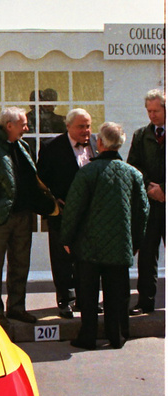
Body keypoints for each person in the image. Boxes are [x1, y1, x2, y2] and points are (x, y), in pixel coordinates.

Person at [0, 107, 58, 324]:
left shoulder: (23, 146)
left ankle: (17, 307)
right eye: (23, 124)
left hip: (23, 215)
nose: (27, 128)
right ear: (9, 125)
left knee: (21, 264)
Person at [61, 122, 148, 350]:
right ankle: (117, 335)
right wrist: (135, 241)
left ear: (99, 143)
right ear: (120, 144)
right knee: (118, 294)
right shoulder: (133, 174)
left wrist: (67, 239)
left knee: (88, 295)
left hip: (88, 245)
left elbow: (74, 208)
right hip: (120, 244)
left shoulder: (87, 172)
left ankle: (88, 337)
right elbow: (142, 211)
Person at [37, 109, 98, 317]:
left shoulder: (97, 143)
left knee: (88, 257)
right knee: (62, 257)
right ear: (69, 126)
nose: (86, 131)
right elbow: (41, 181)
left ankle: (86, 298)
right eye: (81, 126)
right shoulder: (51, 147)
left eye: (88, 126)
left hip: (90, 213)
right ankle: (66, 299)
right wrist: (54, 201)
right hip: (62, 212)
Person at [127, 89, 165, 315]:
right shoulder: (141, 135)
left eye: (156, 111)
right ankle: (145, 301)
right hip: (150, 204)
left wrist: (165, 190)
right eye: (149, 111)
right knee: (147, 254)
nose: (152, 115)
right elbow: (134, 166)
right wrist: (151, 187)